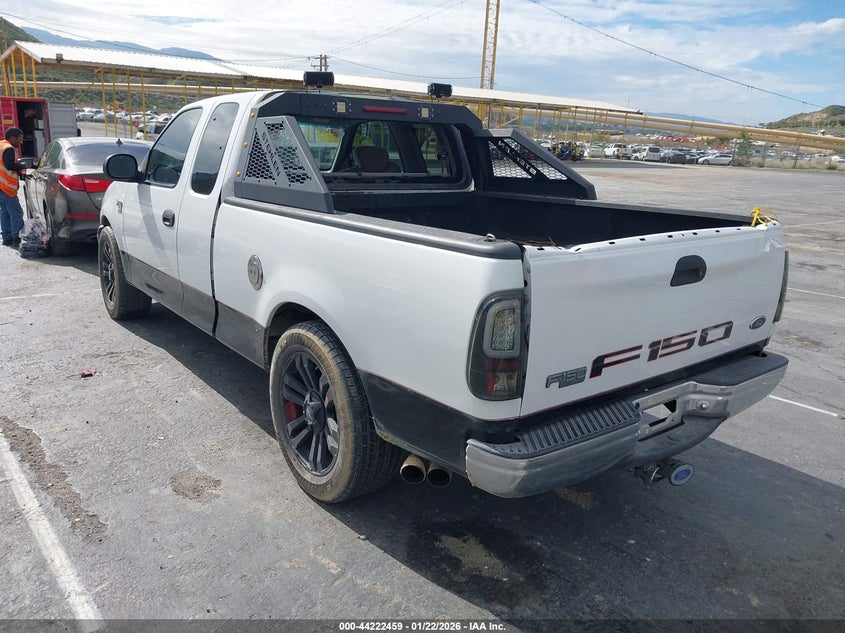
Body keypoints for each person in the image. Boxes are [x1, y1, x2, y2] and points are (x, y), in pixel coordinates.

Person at [0, 127, 28, 247]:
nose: (20, 143)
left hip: (1, 186)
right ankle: (17, 237)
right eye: (19, 140)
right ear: (12, 138)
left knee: (5, 212)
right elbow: (10, 165)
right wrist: (21, 166)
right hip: (6, 187)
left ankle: (7, 238)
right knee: (16, 213)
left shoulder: (1, 145)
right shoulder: (9, 149)